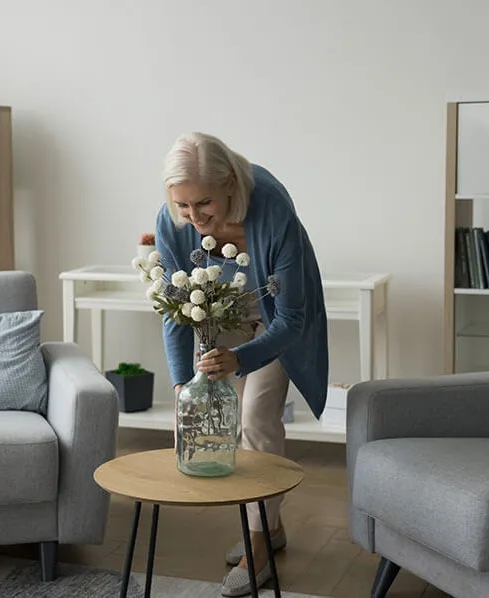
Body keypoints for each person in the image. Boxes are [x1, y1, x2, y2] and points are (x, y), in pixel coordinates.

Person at [154, 132, 328, 597]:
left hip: (274, 320)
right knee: (210, 413)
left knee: (256, 417)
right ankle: (270, 527)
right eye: (182, 206)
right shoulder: (173, 222)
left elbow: (293, 317)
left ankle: (257, 548)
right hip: (219, 314)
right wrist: (177, 385)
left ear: (230, 182)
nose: (194, 218)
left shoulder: (271, 209)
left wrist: (241, 358)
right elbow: (178, 311)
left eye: (204, 204)